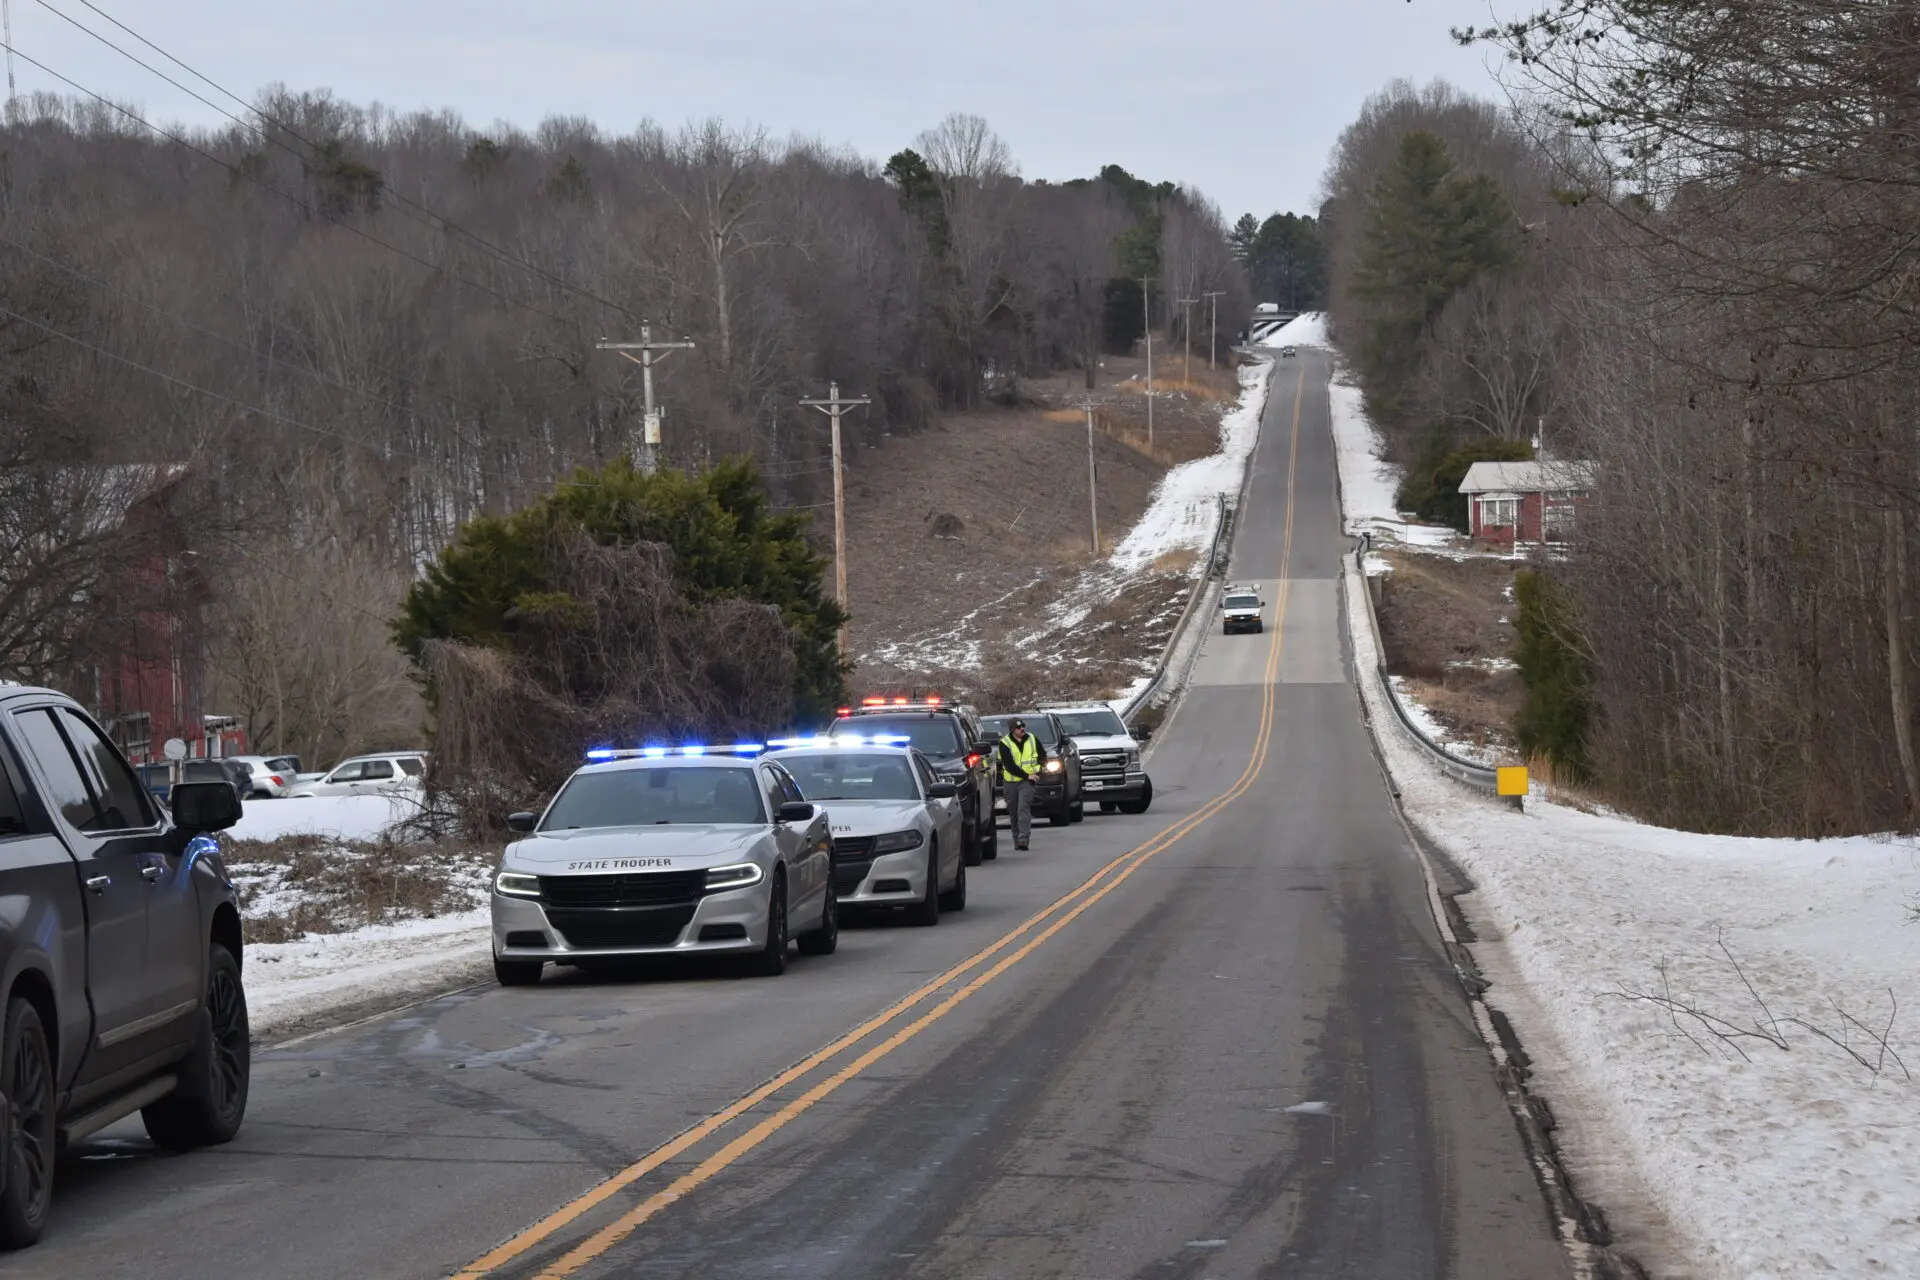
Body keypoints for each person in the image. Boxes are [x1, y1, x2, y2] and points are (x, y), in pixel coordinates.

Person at [996, 717, 1048, 851]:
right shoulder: (1005, 743)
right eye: (1019, 727)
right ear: (1012, 730)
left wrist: (1039, 768)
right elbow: (1009, 765)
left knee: (1023, 809)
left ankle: (1023, 839)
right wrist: (1026, 774)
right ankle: (1016, 839)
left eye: (1023, 726)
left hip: (1027, 782)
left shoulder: (1032, 739)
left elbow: (1042, 755)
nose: (1022, 729)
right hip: (1010, 782)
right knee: (1013, 812)